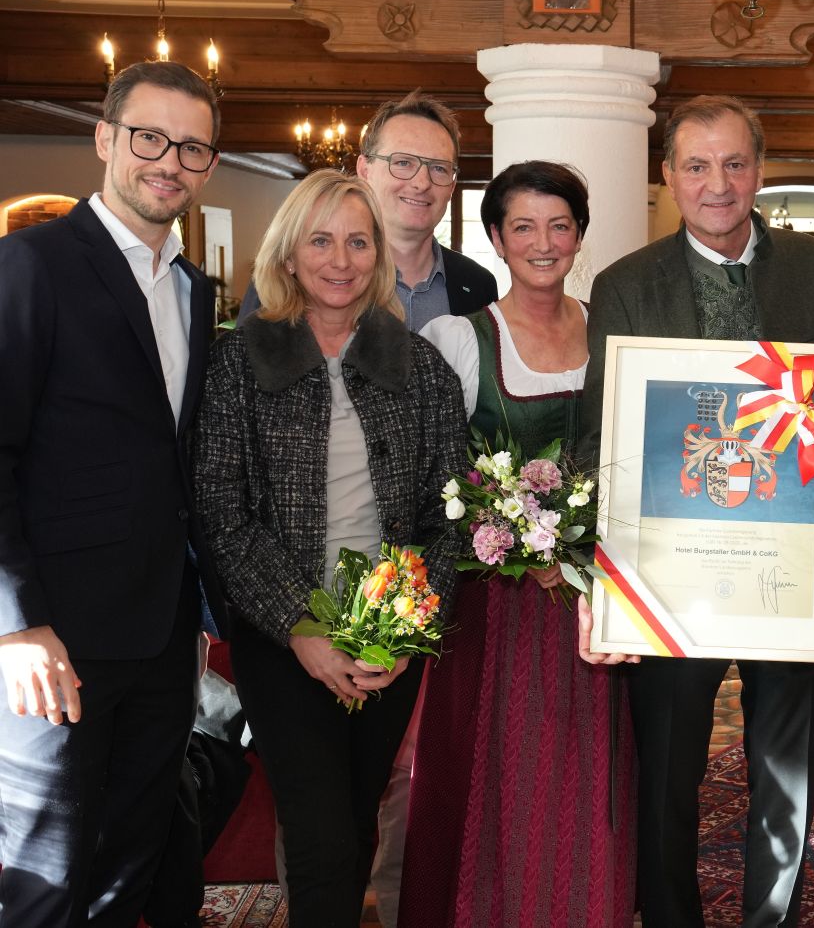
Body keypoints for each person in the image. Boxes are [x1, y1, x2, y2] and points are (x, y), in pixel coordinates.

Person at [577, 95, 814, 928]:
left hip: (789, 567)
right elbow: (600, 436)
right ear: (668, 176)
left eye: (735, 163)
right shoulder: (625, 285)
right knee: (667, 774)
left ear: (760, 170)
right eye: (697, 166)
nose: (718, 184)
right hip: (669, 574)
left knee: (787, 773)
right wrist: (606, 581)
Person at [194, 169, 467, 928]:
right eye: (320, 240)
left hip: (388, 636)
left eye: (357, 242)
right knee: (318, 839)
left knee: (354, 822)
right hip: (282, 637)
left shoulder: (422, 369)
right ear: (288, 253)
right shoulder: (238, 363)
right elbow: (222, 514)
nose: (340, 260)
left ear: (379, 254)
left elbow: (448, 517)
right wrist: (301, 628)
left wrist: (405, 632)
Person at [0, 60, 224, 926]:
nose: (169, 161)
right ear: (105, 138)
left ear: (209, 165)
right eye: (150, 138)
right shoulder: (31, 264)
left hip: (161, 634)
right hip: (56, 639)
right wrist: (16, 624)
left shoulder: (193, 289)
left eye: (192, 147)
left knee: (129, 866)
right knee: (44, 877)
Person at [398, 160, 636, 927]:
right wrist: (515, 541)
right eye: (523, 226)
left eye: (560, 225)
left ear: (579, 236)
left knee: (587, 775)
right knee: (498, 776)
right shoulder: (460, 339)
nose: (543, 242)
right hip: (497, 611)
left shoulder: (614, 328)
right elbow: (434, 479)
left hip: (601, 602)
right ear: (496, 239)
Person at [240, 90, 496, 331]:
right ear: (364, 170)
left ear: (452, 185)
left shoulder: (477, 285)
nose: (421, 183)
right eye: (403, 162)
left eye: (439, 168)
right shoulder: (294, 279)